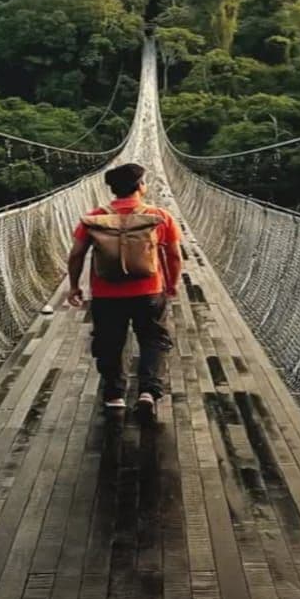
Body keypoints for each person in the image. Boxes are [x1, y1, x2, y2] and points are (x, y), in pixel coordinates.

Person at [66, 163, 182, 413]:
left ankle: (114, 395)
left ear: (113, 189)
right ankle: (148, 392)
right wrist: (172, 283)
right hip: (149, 291)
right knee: (152, 340)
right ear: (140, 186)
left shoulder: (95, 218)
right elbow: (174, 255)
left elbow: (76, 255)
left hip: (106, 294)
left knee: (109, 342)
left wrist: (74, 287)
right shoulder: (159, 216)